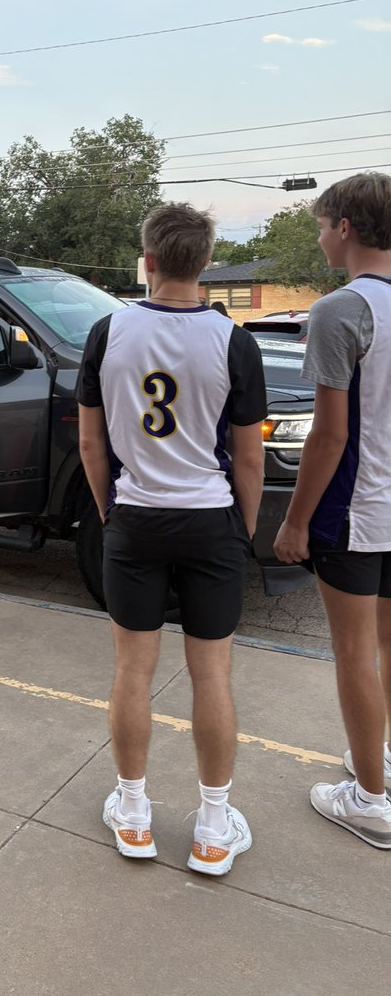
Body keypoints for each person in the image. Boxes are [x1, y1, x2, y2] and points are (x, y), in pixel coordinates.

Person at [77, 203, 266, 874]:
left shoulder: (107, 332)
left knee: (132, 669)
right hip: (209, 518)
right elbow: (248, 459)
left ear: (148, 260)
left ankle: (134, 813)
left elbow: (91, 443)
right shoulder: (232, 339)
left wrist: (109, 514)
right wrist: (241, 529)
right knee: (211, 673)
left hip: (135, 518)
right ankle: (213, 827)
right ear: (207, 263)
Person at [274, 172, 391, 849]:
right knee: (386, 645)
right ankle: (382, 767)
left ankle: (370, 800)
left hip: (357, 510)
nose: (320, 237)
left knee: (354, 652)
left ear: (345, 229)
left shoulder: (340, 311)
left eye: (321, 225)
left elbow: (330, 434)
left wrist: (294, 521)